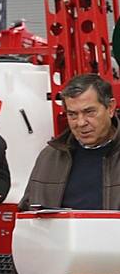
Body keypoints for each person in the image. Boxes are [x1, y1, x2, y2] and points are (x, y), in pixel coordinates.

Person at [22, 74, 120, 209]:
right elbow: (27, 211)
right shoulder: (50, 157)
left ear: (110, 108)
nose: (80, 123)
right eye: (72, 114)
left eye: (89, 112)